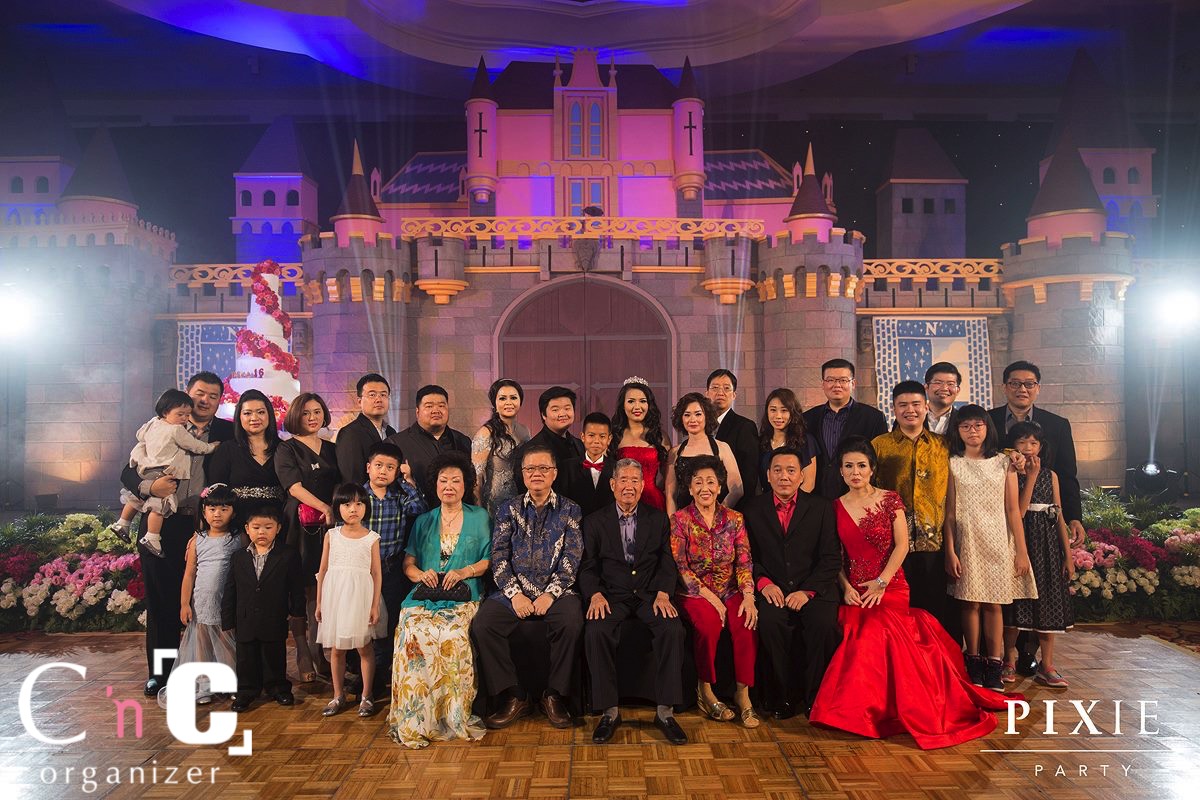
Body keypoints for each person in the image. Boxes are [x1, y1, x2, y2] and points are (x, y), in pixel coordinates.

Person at [808, 438, 1012, 750]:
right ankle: (859, 712)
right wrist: (846, 587)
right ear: (840, 471)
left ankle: (881, 713)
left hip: (890, 586)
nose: (855, 472)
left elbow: (902, 545)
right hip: (855, 590)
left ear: (872, 468)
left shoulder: (890, 500)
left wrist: (881, 582)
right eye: (848, 466)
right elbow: (833, 556)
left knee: (877, 629)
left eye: (861, 465)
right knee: (855, 629)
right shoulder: (833, 507)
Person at [121, 371, 232, 697]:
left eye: (213, 396)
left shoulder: (226, 432)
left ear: (219, 401)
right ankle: (161, 673)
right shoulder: (160, 425)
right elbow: (128, 471)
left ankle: (211, 673)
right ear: (188, 393)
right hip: (162, 525)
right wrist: (149, 486)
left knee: (211, 601)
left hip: (206, 527)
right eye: (200, 393)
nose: (205, 400)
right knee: (161, 602)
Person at [470, 444, 584, 730]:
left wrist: (550, 594)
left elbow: (572, 558)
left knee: (571, 621)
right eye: (530, 468)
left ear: (554, 473)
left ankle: (553, 695)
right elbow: (498, 555)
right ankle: (515, 695)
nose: (537, 474)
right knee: (484, 624)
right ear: (522, 474)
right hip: (514, 591)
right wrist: (515, 594)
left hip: (557, 591)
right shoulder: (508, 509)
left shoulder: (571, 509)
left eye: (543, 468)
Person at [987, 360, 1085, 677]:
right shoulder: (987, 421)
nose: (1022, 389)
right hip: (1000, 520)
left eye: (1029, 383)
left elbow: (1067, 475)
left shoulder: (1057, 424)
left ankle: (1032, 656)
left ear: (1038, 388)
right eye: (1015, 383)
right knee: (1012, 594)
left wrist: (1074, 517)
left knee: (1042, 589)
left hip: (1042, 526)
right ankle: (1006, 655)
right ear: (1005, 386)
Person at [581, 458, 687, 746]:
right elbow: (588, 565)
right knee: (596, 630)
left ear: (643, 486)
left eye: (634, 481)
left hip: (649, 594)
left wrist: (664, 592)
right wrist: (595, 594)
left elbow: (667, 560)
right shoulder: (594, 521)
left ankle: (665, 712)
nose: (629, 486)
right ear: (612, 484)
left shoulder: (658, 519)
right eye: (623, 480)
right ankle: (609, 712)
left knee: (672, 628)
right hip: (611, 595)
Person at [389, 452, 492, 748]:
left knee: (452, 634)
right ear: (435, 484)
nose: (449, 486)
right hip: (425, 595)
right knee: (412, 630)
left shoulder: (480, 517)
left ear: (465, 484)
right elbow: (408, 563)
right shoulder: (423, 520)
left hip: (464, 594)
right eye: (443, 480)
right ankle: (416, 718)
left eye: (456, 481)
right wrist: (421, 575)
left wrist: (464, 571)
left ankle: (452, 714)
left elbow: (488, 559)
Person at [743, 448, 842, 718]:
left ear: (801, 476)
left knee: (822, 624)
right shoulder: (751, 509)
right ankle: (781, 698)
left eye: (790, 471)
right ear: (768, 475)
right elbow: (747, 556)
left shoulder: (821, 507)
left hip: (814, 588)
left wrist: (807, 591)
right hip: (772, 588)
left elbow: (831, 558)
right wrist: (764, 583)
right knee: (770, 623)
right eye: (777, 470)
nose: (783, 476)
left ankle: (816, 699)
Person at [944, 405, 1036, 692]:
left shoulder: (1004, 462)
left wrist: (1021, 551)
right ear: (957, 431)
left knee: (994, 604)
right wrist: (950, 550)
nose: (972, 431)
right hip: (967, 540)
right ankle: (973, 659)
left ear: (988, 428)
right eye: (965, 426)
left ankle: (994, 663)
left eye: (978, 425)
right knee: (970, 602)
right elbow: (949, 513)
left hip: (998, 540)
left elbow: (1013, 510)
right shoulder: (953, 463)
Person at [670, 456, 760, 728]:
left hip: (730, 589)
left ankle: (743, 694)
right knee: (708, 624)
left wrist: (748, 596)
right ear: (690, 488)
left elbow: (744, 561)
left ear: (720, 487)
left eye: (710, 481)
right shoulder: (680, 519)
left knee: (746, 621)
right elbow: (680, 567)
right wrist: (711, 599)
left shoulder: (735, 519)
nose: (705, 488)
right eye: (698, 482)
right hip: (694, 592)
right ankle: (705, 690)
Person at [871, 381, 956, 639]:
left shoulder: (943, 445)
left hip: (934, 542)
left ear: (926, 406)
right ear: (893, 409)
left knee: (934, 611)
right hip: (892, 545)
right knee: (898, 613)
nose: (910, 410)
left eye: (916, 404)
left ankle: (935, 658)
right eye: (903, 405)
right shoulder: (879, 445)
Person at [1002, 422, 1075, 688]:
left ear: (1041, 447)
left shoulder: (1051, 475)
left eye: (1034, 443)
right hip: (1022, 543)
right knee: (1016, 605)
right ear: (1012, 445)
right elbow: (1019, 512)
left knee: (1048, 603)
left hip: (1048, 546)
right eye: (1022, 442)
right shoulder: (1009, 472)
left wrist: (1067, 555)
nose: (1028, 448)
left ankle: (1048, 664)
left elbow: (1058, 515)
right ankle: (1009, 658)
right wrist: (1030, 477)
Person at [275, 392, 340, 682]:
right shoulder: (286, 449)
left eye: (317, 412)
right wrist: (324, 507)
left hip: (330, 525)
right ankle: (303, 651)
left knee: (321, 587)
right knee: (300, 587)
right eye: (305, 413)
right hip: (300, 524)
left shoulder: (332, 448)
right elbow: (293, 487)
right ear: (295, 416)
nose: (312, 417)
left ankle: (319, 651)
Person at [111, 389, 219, 557]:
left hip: (148, 469)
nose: (184, 418)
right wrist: (212, 447)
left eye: (213, 395)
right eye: (199, 394)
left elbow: (140, 434)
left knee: (134, 499)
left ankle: (123, 523)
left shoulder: (153, 423)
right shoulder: (177, 430)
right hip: (162, 476)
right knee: (159, 504)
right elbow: (196, 446)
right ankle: (152, 537)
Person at [221, 503, 305, 712]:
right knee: (246, 657)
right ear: (247, 529)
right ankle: (246, 691)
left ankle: (278, 688)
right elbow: (230, 589)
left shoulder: (287, 554)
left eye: (268, 527)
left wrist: (297, 612)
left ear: (278, 528)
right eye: (256, 527)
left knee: (274, 654)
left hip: (274, 615)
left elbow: (296, 586)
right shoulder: (239, 556)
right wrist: (227, 618)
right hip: (245, 617)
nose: (262, 532)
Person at [166, 483, 243, 706]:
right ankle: (203, 686)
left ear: (233, 513)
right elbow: (189, 574)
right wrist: (184, 604)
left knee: (227, 641)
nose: (217, 514)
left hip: (227, 600)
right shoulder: (197, 540)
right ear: (203, 511)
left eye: (224, 509)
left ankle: (231, 683)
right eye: (212, 509)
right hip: (201, 600)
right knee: (202, 644)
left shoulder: (238, 538)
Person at [363, 441, 428, 700]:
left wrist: (407, 480)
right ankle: (365, 676)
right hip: (362, 570)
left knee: (387, 621)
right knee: (364, 622)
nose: (383, 471)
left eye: (390, 467)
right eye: (378, 465)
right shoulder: (358, 497)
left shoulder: (399, 496)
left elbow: (420, 508)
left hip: (390, 568)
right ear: (368, 467)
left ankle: (381, 676)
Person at [316, 483, 386, 717]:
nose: (353, 509)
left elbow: (376, 573)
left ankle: (366, 695)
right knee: (337, 649)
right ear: (338, 507)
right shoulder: (332, 535)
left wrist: (374, 605)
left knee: (364, 647)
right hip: (335, 598)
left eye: (358, 503)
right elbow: (323, 570)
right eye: (347, 504)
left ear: (366, 507)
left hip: (360, 599)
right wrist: (319, 602)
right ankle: (338, 694)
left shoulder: (371, 538)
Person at [803, 358, 888, 499]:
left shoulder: (873, 418)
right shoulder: (807, 418)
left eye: (843, 380)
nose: (837, 385)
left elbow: (879, 463)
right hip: (817, 497)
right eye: (830, 380)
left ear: (853, 383)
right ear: (823, 384)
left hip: (857, 498)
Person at [389, 384, 472, 502]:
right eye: (429, 406)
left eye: (441, 406)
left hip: (459, 511)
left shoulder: (463, 441)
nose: (436, 411)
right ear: (417, 412)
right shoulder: (396, 443)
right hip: (416, 512)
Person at [664, 393, 744, 515]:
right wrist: (674, 522)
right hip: (684, 520)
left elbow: (737, 490)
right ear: (681, 418)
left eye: (698, 414)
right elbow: (671, 495)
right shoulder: (675, 453)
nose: (693, 420)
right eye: (687, 415)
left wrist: (717, 515)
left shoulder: (722, 448)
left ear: (707, 416)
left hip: (717, 518)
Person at [207, 389, 286, 509]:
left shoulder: (284, 449)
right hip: (238, 517)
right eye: (247, 413)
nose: (254, 418)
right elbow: (217, 493)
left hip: (277, 517)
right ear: (239, 417)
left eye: (260, 412)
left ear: (269, 414)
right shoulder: (227, 449)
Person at [471, 379, 531, 516]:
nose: (508, 402)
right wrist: (479, 512)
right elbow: (476, 478)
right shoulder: (486, 433)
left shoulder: (525, 430)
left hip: (522, 498)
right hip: (495, 503)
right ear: (495, 403)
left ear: (520, 401)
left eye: (513, 398)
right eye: (502, 398)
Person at [610, 377, 669, 511]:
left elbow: (668, 478)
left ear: (649, 405)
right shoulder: (614, 436)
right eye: (631, 401)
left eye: (642, 401)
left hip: (653, 501)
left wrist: (652, 488)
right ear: (623, 405)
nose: (637, 407)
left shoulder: (659, 436)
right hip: (623, 499)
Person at [706, 369, 760, 505]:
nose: (720, 393)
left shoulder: (745, 426)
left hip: (734, 505)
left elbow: (749, 475)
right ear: (707, 393)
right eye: (715, 388)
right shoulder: (700, 426)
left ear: (734, 395)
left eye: (726, 388)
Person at [521, 386, 585, 498]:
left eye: (567, 408)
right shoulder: (531, 449)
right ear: (543, 415)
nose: (562, 414)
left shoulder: (580, 444)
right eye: (555, 410)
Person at [336, 373, 396, 485]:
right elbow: (351, 478)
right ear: (359, 401)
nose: (378, 399)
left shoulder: (391, 432)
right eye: (372, 395)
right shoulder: (350, 433)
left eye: (383, 395)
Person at [758, 388, 817, 495]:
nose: (778, 416)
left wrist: (788, 503)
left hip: (799, 502)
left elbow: (809, 483)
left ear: (793, 413)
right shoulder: (761, 442)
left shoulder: (805, 441)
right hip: (767, 502)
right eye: (773, 410)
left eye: (784, 410)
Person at [573, 412, 616, 517]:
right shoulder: (568, 468)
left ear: (609, 439)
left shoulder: (617, 468)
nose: (596, 441)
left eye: (602, 436)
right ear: (583, 437)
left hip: (607, 523)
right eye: (591, 435)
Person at [924, 362, 962, 435]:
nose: (944, 388)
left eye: (950, 384)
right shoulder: (913, 418)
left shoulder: (964, 421)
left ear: (957, 390)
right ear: (926, 387)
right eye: (938, 383)